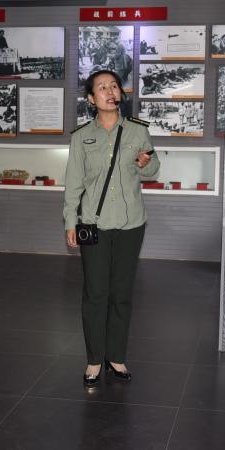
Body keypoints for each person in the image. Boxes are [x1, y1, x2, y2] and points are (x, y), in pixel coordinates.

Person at [63, 70, 160, 388]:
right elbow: (74, 184)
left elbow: (153, 170)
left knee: (122, 293)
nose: (110, 91)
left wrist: (146, 164)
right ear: (91, 99)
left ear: (120, 93)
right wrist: (70, 221)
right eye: (102, 87)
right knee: (95, 293)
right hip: (94, 223)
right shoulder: (81, 137)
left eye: (114, 86)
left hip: (132, 223)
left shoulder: (138, 130)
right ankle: (94, 359)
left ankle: (116, 356)